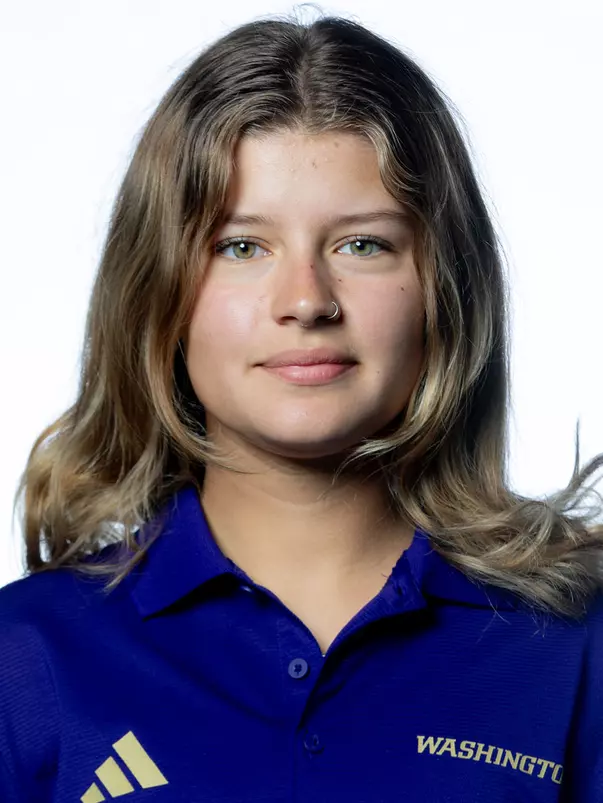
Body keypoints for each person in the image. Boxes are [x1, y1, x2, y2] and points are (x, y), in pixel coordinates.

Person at [1, 6, 603, 802]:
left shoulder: (574, 641)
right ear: (157, 292)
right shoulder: (28, 653)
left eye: (362, 243)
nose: (306, 300)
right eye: (240, 246)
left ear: (442, 290)